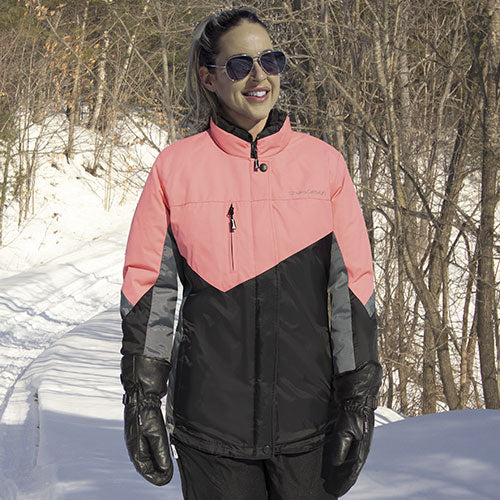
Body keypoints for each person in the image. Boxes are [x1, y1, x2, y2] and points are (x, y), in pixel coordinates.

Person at [119, 7, 382, 500]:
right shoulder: (175, 169)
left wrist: (358, 400)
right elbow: (148, 290)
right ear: (209, 78)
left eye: (271, 60)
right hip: (211, 433)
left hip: (309, 428)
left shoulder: (324, 165)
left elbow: (353, 289)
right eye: (240, 65)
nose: (259, 77)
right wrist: (142, 398)